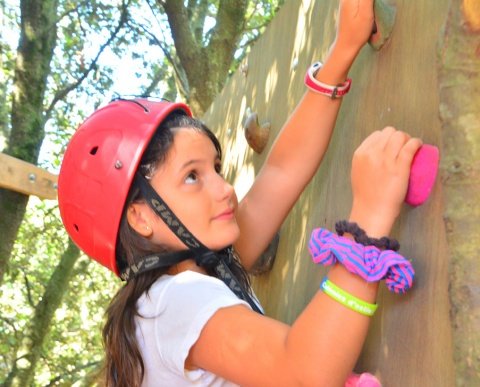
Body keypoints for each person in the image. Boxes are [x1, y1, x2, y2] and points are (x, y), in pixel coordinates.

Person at [57, 0, 422, 386]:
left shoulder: (196, 276)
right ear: (142, 217)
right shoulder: (173, 301)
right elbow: (305, 372)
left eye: (215, 168)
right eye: (192, 177)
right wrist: (367, 221)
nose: (224, 188)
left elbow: (281, 173)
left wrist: (341, 52)